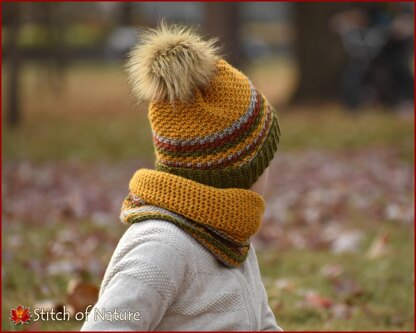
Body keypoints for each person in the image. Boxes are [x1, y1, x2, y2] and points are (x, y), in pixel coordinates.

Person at [81, 23, 282, 331]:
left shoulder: (228, 233)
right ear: (237, 173)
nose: (269, 172)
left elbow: (262, 322)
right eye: (265, 161)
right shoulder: (162, 248)